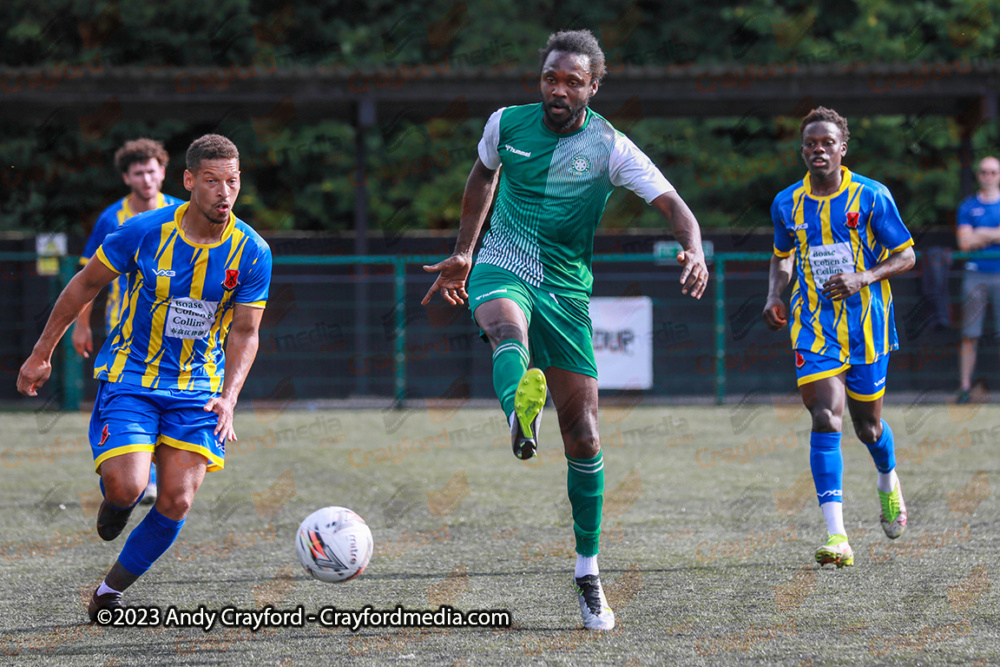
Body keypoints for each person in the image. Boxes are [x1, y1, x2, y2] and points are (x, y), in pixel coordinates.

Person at [422, 29, 708, 631]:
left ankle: (587, 572)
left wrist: (694, 249)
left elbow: (676, 206)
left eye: (572, 81)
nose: (558, 89)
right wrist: (464, 252)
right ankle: (517, 415)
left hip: (568, 291)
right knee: (505, 332)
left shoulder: (611, 146)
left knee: (584, 437)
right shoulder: (506, 124)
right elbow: (481, 176)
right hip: (503, 264)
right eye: (551, 77)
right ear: (541, 79)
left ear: (593, 87)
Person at [17, 134, 272, 620]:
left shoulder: (253, 252)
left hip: (198, 388)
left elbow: (245, 333)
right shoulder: (144, 230)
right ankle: (117, 500)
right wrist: (40, 352)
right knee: (128, 487)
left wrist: (229, 397)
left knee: (176, 500)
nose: (224, 192)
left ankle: (108, 592)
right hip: (133, 377)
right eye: (213, 181)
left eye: (233, 182)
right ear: (189, 180)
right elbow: (85, 284)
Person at [763, 107, 915, 568]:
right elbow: (782, 256)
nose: (818, 150)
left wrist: (864, 277)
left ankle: (888, 480)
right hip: (812, 328)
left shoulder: (871, 196)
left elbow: (907, 256)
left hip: (867, 327)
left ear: (842, 148)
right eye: (810, 143)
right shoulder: (787, 202)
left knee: (867, 427)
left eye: (827, 142)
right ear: (802, 150)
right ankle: (838, 536)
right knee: (826, 417)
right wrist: (775, 293)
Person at [73, 138, 184, 505]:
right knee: (131, 395)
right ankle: (132, 472)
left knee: (168, 396)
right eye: (139, 172)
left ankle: (159, 474)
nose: (147, 178)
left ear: (163, 172)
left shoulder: (184, 212)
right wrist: (82, 324)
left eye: (152, 170)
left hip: (173, 329)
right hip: (125, 327)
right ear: (127, 178)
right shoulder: (112, 218)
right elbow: (87, 277)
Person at [956, 156, 1000, 403]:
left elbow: (973, 238)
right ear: (978, 175)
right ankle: (965, 388)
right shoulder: (968, 206)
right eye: (984, 171)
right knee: (969, 334)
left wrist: (980, 233)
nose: (988, 176)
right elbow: (964, 242)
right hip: (975, 275)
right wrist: (994, 235)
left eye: (993, 172)